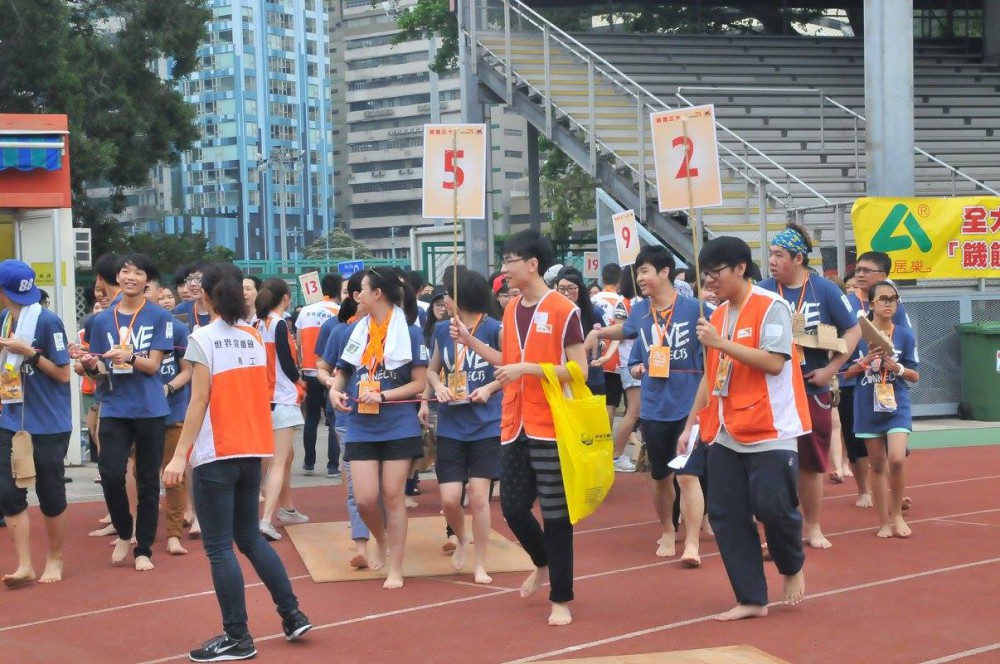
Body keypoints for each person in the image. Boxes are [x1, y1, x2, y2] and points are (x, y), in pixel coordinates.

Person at [162, 262, 311, 662]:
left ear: (208, 295)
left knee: (218, 548)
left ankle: (237, 636)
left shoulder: (202, 338)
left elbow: (198, 400)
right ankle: (292, 613)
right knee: (248, 537)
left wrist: (180, 455)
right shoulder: (251, 335)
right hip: (253, 449)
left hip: (218, 452)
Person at [677, 236, 810, 621]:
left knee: (774, 507)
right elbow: (710, 376)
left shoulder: (773, 307)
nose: (711, 282)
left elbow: (773, 362)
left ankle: (791, 565)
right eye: (706, 275)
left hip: (770, 428)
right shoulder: (715, 316)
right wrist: (691, 425)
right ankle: (752, 597)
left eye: (716, 273)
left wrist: (721, 342)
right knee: (727, 514)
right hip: (723, 430)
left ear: (739, 268)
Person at [492, 230, 588, 627]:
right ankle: (542, 562)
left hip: (551, 425)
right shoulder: (512, 309)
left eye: (510, 261)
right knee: (513, 509)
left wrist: (529, 370)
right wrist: (486, 381)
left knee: (556, 514)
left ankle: (561, 598)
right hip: (515, 423)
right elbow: (508, 362)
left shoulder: (564, 309)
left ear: (532, 264)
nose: (503, 270)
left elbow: (579, 370)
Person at [589, 246, 708, 563]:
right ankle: (668, 529)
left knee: (687, 475)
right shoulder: (640, 313)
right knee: (661, 477)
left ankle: (692, 543)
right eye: (638, 272)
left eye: (644, 271)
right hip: (655, 407)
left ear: (664, 272)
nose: (639, 278)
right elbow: (625, 332)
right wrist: (596, 334)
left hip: (690, 406)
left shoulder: (696, 309)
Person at [760, 224, 860, 550]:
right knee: (770, 462)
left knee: (811, 464)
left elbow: (853, 331)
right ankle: (775, 527)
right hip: (771, 391)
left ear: (798, 258)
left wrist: (830, 369)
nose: (772, 261)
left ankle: (813, 527)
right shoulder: (762, 290)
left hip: (811, 388)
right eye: (770, 254)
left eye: (779, 255)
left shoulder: (824, 290)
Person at [329, 268, 428, 589]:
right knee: (365, 499)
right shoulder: (356, 331)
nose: (357, 295)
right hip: (360, 422)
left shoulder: (410, 333)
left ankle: (396, 566)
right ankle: (381, 539)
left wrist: (383, 394)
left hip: (398, 424)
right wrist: (334, 389)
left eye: (363, 290)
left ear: (378, 294)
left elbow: (419, 382)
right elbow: (342, 371)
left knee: (392, 495)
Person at [79, 253, 174, 571]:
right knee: (109, 472)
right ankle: (123, 529)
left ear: (148, 281)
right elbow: (97, 370)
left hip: (149, 407)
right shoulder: (101, 320)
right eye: (124, 271)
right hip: (115, 406)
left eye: (138, 273)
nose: (130, 276)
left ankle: (143, 548)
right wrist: (91, 366)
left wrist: (129, 357)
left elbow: (154, 366)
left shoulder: (159, 317)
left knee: (147, 479)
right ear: (116, 279)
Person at [423, 268, 502, 584]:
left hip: (486, 424)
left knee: (480, 497)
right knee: (449, 499)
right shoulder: (443, 330)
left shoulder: (493, 328)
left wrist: (489, 389)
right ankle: (462, 537)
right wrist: (437, 386)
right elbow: (431, 370)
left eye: (449, 295)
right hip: (451, 424)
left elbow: (508, 365)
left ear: (463, 298)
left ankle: (480, 562)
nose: (444, 300)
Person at [0, 261, 72, 587]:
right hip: (11, 419)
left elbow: (63, 373)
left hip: (48, 423)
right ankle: (24, 564)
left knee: (50, 494)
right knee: (9, 494)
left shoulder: (47, 321)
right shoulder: (3, 321)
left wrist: (28, 353)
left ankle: (55, 557)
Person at [843, 280, 919, 538]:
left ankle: (897, 514)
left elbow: (915, 375)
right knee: (876, 465)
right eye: (883, 298)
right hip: (867, 406)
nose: (889, 303)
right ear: (871, 303)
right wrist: (866, 360)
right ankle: (883, 521)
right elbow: (846, 374)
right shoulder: (858, 335)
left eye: (893, 299)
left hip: (897, 405)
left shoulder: (905, 334)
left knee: (896, 459)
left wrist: (895, 366)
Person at [317, 272, 368, 566]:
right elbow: (321, 366)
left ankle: (383, 534)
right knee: (355, 487)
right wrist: (331, 386)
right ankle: (362, 544)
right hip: (348, 418)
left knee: (385, 489)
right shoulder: (338, 331)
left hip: (387, 420)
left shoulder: (399, 330)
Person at [255, 279, 307, 541]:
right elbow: (287, 362)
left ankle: (287, 508)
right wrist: (300, 380)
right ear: (286, 297)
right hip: (281, 397)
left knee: (284, 456)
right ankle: (265, 519)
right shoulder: (278, 324)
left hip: (261, 398)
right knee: (278, 462)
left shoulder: (255, 323)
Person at [147, 277, 193, 556]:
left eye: (166, 296)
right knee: (143, 476)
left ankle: (174, 533)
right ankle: (143, 532)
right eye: (158, 295)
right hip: (140, 414)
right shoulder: (129, 327)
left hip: (173, 411)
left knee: (173, 475)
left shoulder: (178, 329)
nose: (163, 300)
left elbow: (188, 370)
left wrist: (168, 387)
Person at [295, 274, 342, 478]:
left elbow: (298, 341)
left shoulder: (305, 311)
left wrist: (301, 365)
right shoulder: (340, 312)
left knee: (312, 417)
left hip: (309, 370)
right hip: (333, 372)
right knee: (333, 418)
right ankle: (333, 465)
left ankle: (309, 462)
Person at [556, 267, 605, 395]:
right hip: (563, 377)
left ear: (580, 288)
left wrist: (597, 343)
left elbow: (605, 341)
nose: (566, 293)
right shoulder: (553, 313)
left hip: (591, 377)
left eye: (571, 288)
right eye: (562, 288)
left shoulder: (593, 313)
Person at [589, 262, 623, 428]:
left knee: (594, 404)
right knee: (610, 404)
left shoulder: (591, 300)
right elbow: (625, 332)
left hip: (593, 358)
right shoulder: (622, 302)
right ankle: (607, 439)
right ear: (619, 280)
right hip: (615, 359)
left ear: (602, 279)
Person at [173, 263, 212, 331]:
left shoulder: (221, 309)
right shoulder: (182, 309)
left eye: (198, 279)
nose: (192, 284)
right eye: (189, 279)